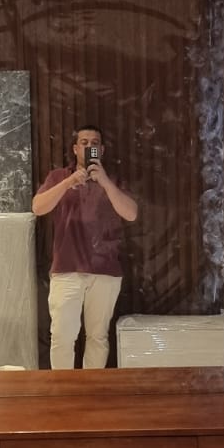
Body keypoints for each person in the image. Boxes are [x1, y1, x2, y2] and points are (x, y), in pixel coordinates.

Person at [32, 124, 138, 369]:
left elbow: (131, 214)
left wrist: (105, 182)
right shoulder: (58, 176)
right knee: (62, 336)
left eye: (94, 143)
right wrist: (68, 182)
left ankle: (93, 387)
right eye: (84, 143)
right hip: (67, 268)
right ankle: (63, 389)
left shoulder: (113, 179)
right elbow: (38, 208)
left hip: (106, 270)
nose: (89, 146)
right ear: (75, 149)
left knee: (98, 337)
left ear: (102, 150)